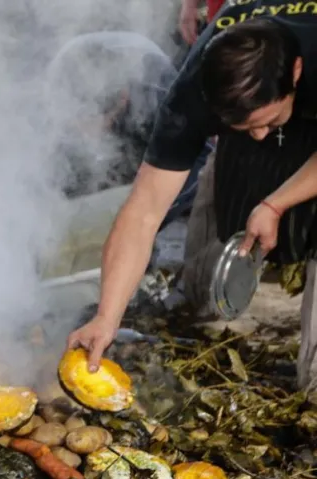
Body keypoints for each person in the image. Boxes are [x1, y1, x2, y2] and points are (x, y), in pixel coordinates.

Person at [67, 2, 317, 392]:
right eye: (246, 125)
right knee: (206, 282)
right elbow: (143, 212)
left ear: (297, 72)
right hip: (255, 109)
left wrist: (275, 203)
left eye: (267, 121)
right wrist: (106, 317)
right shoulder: (190, 96)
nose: (260, 135)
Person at [44, 31, 213, 230]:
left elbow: (200, 163)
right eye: (80, 124)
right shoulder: (59, 91)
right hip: (79, 67)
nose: (89, 134)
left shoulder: (159, 95)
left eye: (97, 123)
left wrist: (145, 217)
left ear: (122, 100)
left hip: (145, 99)